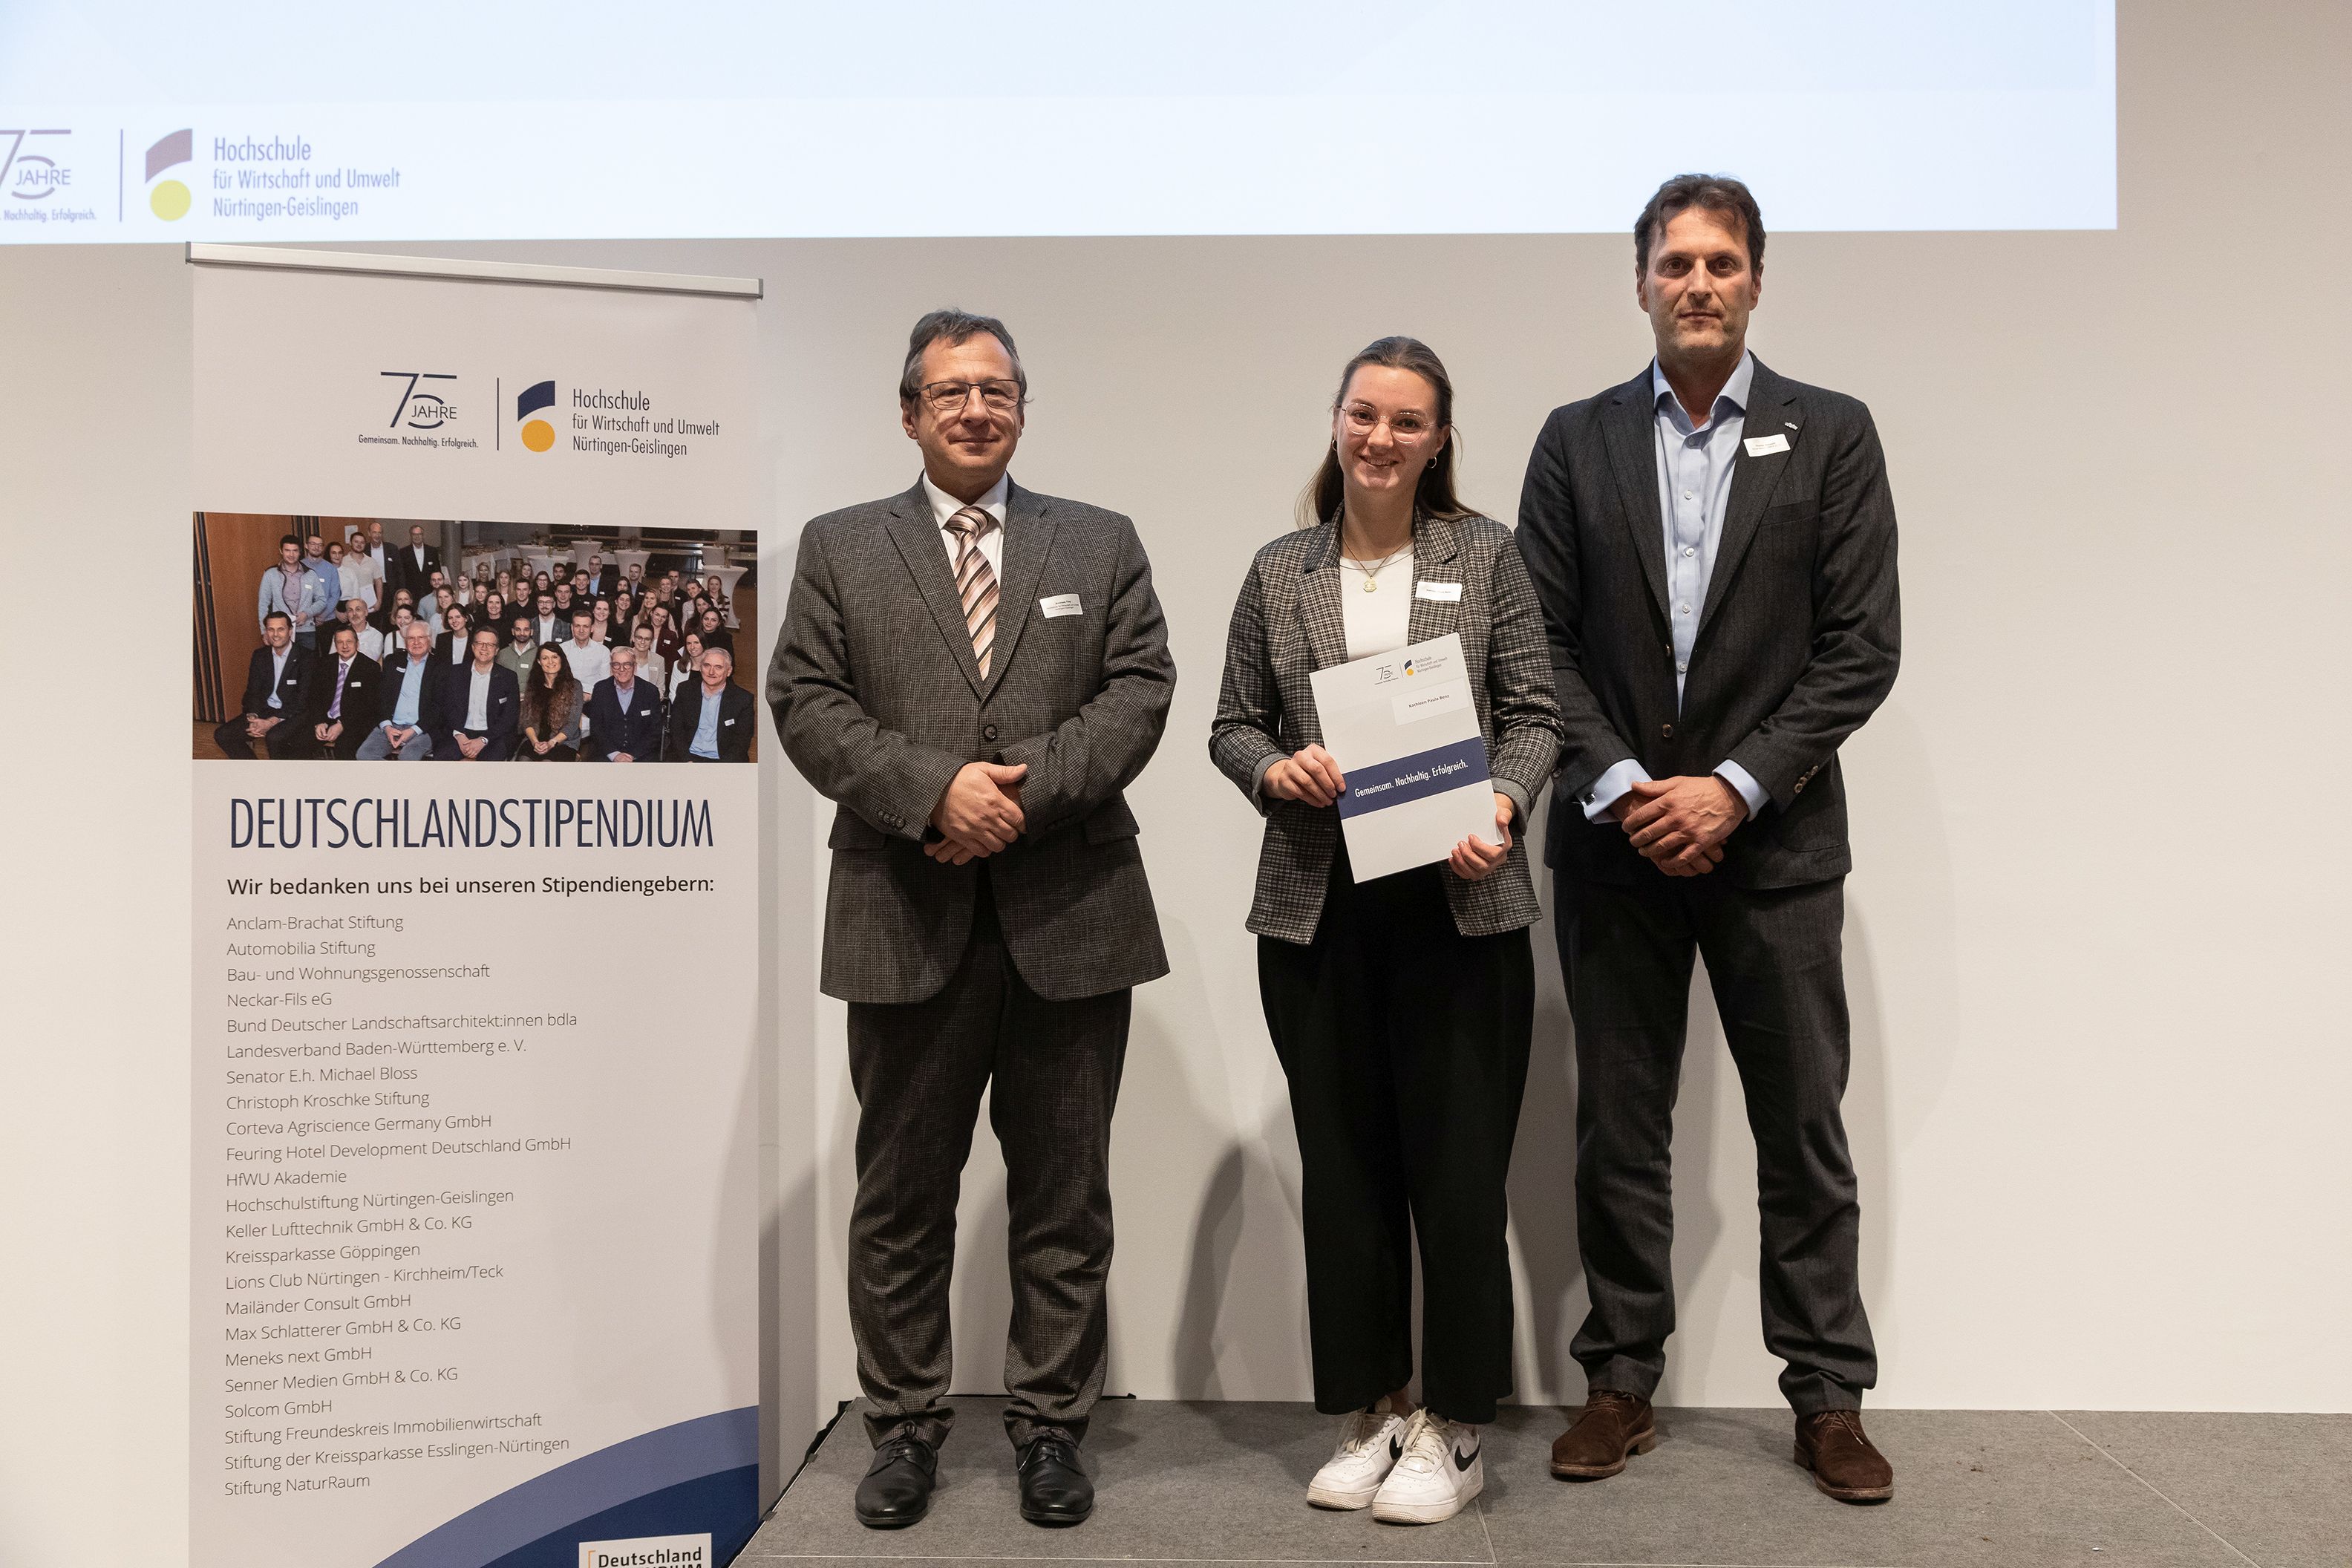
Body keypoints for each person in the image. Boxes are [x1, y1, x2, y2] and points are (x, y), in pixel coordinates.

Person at [1514, 174, 1903, 1504]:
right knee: (1618, 1131)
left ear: (1755, 282)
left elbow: (1861, 649)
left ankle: (1828, 1397)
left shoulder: (1832, 433)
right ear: (1639, 282)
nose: (1697, 283)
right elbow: (1539, 643)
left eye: (1720, 262)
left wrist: (1733, 787)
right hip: (1615, 847)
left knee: (1802, 1132)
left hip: (1776, 848)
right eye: (1674, 262)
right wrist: (1631, 786)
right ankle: (1620, 1380)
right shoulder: (1573, 440)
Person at [769, 308, 1175, 1530]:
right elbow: (804, 699)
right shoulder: (840, 546)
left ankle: (1051, 1429)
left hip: (1073, 914)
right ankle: (902, 1428)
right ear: (909, 413)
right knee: (901, 1197)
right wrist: (931, 790)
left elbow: (1140, 691)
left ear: (1021, 408)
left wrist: (1014, 802)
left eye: (995, 389)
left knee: (1065, 1195)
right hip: (902, 909)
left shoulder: (1098, 541)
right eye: (949, 391)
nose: (974, 409)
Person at [1208, 337, 1562, 1524]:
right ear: (1337, 421)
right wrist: (1278, 769)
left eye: (1408, 421)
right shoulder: (1280, 569)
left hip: (1461, 904)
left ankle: (1456, 1428)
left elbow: (1535, 715)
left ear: (1439, 439)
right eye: (1365, 414)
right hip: (1319, 911)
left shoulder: (1489, 554)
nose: (1381, 438)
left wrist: (1501, 803)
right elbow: (1232, 724)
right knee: (1346, 1174)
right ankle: (1377, 1408)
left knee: (1458, 1180)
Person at [213, 610, 315, 759]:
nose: (275, 634)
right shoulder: (260, 656)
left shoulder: (306, 657)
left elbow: (302, 699)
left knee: (274, 738)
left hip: (292, 714)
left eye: (281, 629)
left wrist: (272, 722)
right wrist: (254, 717)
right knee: (223, 734)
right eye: (271, 629)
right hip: (264, 711)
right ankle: (255, 770)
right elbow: (252, 692)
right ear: (266, 632)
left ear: (290, 631)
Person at [430, 626, 519, 761]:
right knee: (442, 758)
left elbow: (509, 717)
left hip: (492, 736)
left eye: (490, 645)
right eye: (480, 643)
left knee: (490, 765)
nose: (484, 648)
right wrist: (459, 735)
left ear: (496, 650)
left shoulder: (508, 677)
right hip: (460, 732)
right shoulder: (455, 673)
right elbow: (447, 708)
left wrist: (483, 740)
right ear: (473, 647)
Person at [358, 620, 441, 761]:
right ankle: (394, 776)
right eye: (411, 638)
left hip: (423, 729)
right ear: (405, 641)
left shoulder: (440, 666)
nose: (416, 642)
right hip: (392, 726)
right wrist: (387, 726)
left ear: (429, 639)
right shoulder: (393, 661)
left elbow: (439, 706)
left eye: (421, 637)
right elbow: (382, 697)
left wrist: (414, 730)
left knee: (407, 757)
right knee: (365, 754)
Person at [665, 644, 753, 762]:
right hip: (688, 756)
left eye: (718, 667)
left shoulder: (743, 699)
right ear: (700, 668)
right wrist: (687, 760)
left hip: (722, 760)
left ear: (728, 671)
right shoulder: (685, 690)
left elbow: (741, 741)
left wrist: (719, 768)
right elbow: (676, 730)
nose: (711, 672)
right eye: (707, 665)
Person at [305, 623, 380, 760]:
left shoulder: (370, 668)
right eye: (340, 642)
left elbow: (368, 707)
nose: (345, 646)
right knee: (299, 743)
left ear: (357, 644)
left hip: (353, 723)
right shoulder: (324, 664)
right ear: (335, 645)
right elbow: (314, 697)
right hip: (325, 720)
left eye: (349, 642)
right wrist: (319, 722)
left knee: (344, 749)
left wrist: (342, 725)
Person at [584, 644, 667, 762]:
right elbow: (596, 728)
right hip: (607, 754)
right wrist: (615, 755)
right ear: (611, 667)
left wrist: (632, 755)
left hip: (642, 755)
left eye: (627, 664)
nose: (621, 669)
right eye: (616, 665)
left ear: (635, 667)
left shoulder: (650, 691)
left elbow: (655, 731)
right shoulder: (600, 689)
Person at [258, 535, 328, 649]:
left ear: (300, 552)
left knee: (307, 660)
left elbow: (322, 600)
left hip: (306, 630)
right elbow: (263, 604)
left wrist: (307, 614)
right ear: (281, 551)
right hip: (280, 631)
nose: (291, 555)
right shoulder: (270, 574)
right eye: (287, 550)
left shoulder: (310, 575)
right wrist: (264, 630)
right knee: (282, 660)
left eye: (295, 551)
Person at [518, 642, 583, 760]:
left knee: (547, 765)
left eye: (554, 657)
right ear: (539, 662)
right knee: (523, 762)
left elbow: (573, 724)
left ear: (561, 659)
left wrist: (552, 743)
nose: (550, 662)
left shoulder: (575, 686)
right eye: (545, 658)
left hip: (563, 742)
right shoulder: (533, 685)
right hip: (535, 740)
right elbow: (527, 721)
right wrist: (535, 742)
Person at [393, 523, 442, 602]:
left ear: (423, 535)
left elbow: (437, 570)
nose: (417, 537)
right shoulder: (403, 552)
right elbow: (401, 574)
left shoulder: (432, 551)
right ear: (411, 536)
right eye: (414, 534)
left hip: (430, 591)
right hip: (411, 593)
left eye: (419, 534)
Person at [497, 612, 540, 680]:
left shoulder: (539, 653)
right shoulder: (503, 654)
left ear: (531, 632)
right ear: (513, 631)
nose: (522, 633)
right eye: (518, 630)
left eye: (526, 630)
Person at [628, 623, 668, 694]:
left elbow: (661, 689)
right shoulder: (624, 657)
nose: (642, 642)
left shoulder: (659, 660)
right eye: (639, 638)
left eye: (647, 639)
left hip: (650, 699)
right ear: (633, 638)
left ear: (652, 641)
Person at [435, 604, 473, 668]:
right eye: (450, 618)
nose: (454, 621)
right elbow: (439, 665)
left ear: (466, 618)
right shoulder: (442, 639)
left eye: (458, 617)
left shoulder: (475, 638)